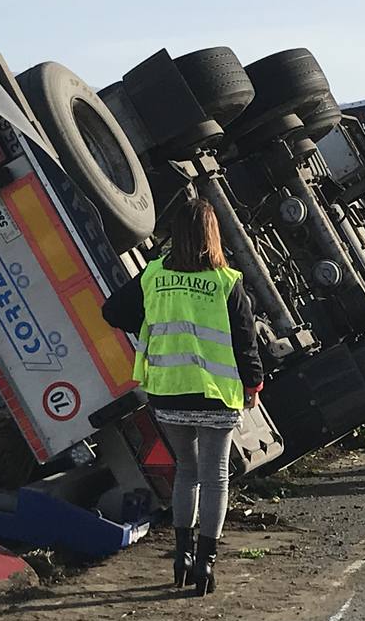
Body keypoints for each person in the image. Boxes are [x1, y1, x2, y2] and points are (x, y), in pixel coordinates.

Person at [103, 198, 263, 595]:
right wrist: (254, 385)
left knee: (186, 473)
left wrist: (151, 323)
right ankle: (206, 564)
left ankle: (182, 556)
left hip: (168, 394)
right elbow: (246, 341)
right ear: (213, 234)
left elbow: (112, 311)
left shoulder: (154, 276)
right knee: (215, 477)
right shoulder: (226, 281)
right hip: (215, 396)